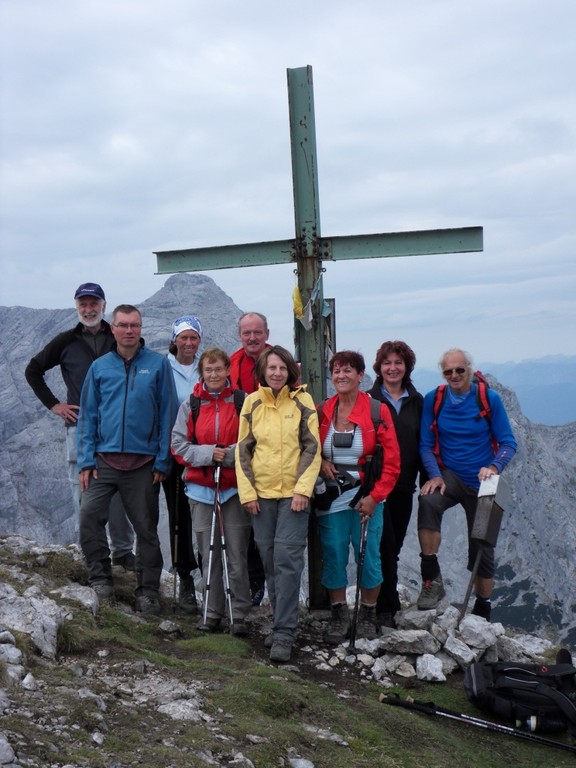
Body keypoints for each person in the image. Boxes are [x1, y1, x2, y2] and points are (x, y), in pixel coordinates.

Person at [24, 282, 135, 568]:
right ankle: (92, 553)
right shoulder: (65, 341)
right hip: (79, 427)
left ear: (103, 306)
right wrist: (55, 405)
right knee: (82, 489)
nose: (89, 309)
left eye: (93, 304)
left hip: (116, 429)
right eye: (83, 304)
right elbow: (33, 370)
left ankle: (123, 552)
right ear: (77, 307)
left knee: (119, 491)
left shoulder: (117, 338)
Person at [77, 304, 177, 614]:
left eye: (134, 325)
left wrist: (163, 461)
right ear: (114, 328)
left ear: (140, 328)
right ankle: (100, 579)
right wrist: (86, 460)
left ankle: (147, 590)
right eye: (123, 325)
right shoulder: (100, 367)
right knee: (88, 518)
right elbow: (88, 416)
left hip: (143, 465)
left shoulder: (158, 366)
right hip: (104, 462)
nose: (129, 330)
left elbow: (167, 416)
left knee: (146, 529)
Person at [235, 345, 321, 663]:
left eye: (282, 368)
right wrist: (248, 493)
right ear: (263, 370)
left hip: (293, 497)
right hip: (261, 495)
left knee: (287, 561)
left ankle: (284, 633)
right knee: (270, 561)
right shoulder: (252, 402)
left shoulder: (302, 401)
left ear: (290, 371)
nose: (276, 373)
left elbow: (312, 449)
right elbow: (242, 451)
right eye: (271, 368)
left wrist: (302, 490)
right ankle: (279, 623)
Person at [417, 348, 517, 619]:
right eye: (448, 371)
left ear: (469, 370)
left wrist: (494, 467)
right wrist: (434, 475)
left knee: (482, 545)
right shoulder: (434, 399)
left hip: (483, 479)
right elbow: (425, 444)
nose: (454, 375)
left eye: (459, 370)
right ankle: (431, 579)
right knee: (428, 502)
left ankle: (482, 606)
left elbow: (508, 442)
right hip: (450, 475)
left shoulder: (488, 399)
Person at [316, 351, 401, 645]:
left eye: (348, 371)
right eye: (336, 371)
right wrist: (320, 463)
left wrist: (375, 498)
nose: (341, 376)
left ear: (360, 375)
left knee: (369, 557)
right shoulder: (323, 411)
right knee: (334, 552)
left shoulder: (377, 411)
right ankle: (339, 614)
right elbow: (308, 448)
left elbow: (392, 463)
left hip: (367, 495)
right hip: (331, 495)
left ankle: (367, 614)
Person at [171, 347, 252, 635]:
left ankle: (239, 614)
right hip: (201, 490)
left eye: (219, 369)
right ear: (202, 372)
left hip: (234, 489)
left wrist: (228, 455)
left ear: (228, 370)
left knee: (237, 552)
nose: (214, 374)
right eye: (209, 370)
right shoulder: (191, 405)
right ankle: (213, 611)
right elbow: (178, 445)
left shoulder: (243, 402)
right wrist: (209, 454)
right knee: (208, 552)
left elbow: (253, 442)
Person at [369, 341, 425, 629]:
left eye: (398, 363)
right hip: (375, 488)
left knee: (395, 546)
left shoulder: (418, 402)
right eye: (387, 363)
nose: (392, 368)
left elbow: (425, 445)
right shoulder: (368, 401)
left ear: (407, 367)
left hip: (404, 486)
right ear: (379, 367)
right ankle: (384, 608)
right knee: (383, 546)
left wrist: (428, 481)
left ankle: (383, 603)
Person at [229, 312, 271, 605]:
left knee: (266, 525)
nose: (252, 338)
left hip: (273, 454)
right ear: (239, 335)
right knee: (244, 520)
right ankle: (249, 586)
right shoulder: (231, 364)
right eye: (247, 333)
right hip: (242, 450)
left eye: (257, 332)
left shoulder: (279, 362)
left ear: (266, 333)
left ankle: (263, 584)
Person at [163, 315, 203, 614]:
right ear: (174, 339)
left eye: (193, 338)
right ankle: (185, 577)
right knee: (178, 518)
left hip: (201, 453)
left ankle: (210, 576)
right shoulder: (162, 368)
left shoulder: (206, 369)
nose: (188, 343)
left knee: (202, 516)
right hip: (173, 453)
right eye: (184, 337)